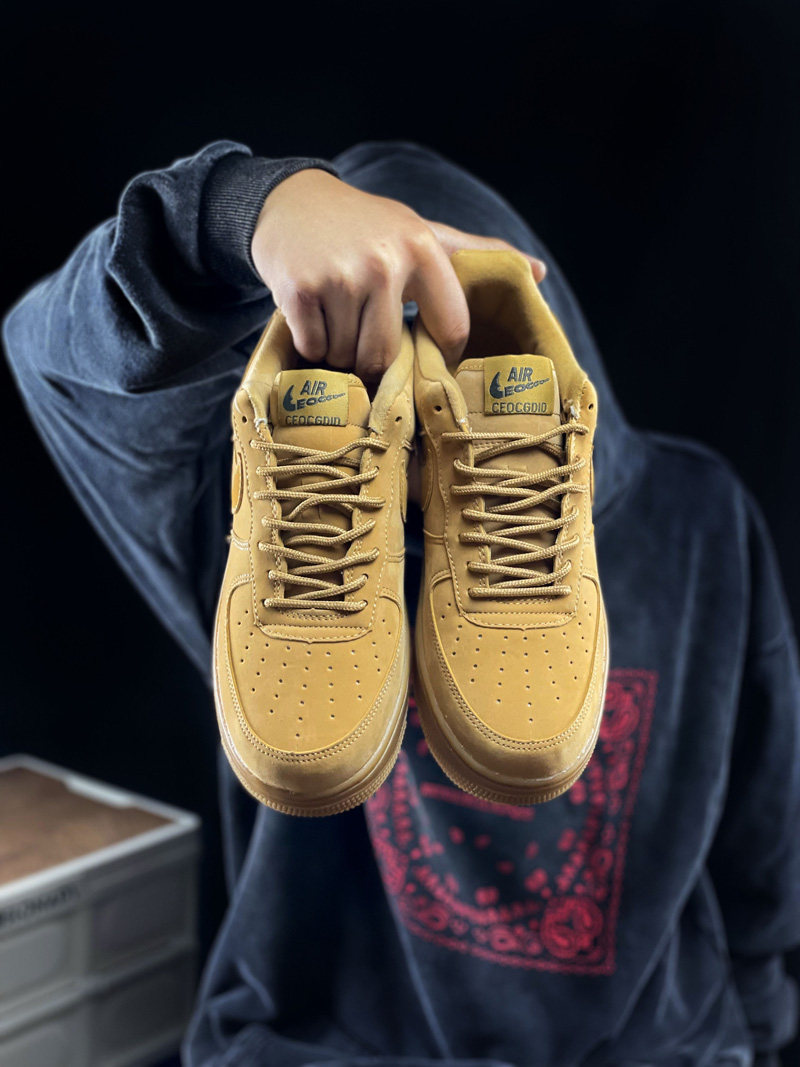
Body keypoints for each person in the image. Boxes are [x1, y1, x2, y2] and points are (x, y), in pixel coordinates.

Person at [4, 140, 799, 1067]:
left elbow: (762, 823)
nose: (416, 400)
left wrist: (762, 1028)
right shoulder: (233, 496)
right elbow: (47, 353)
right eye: (375, 368)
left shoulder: (694, 515)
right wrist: (245, 212)